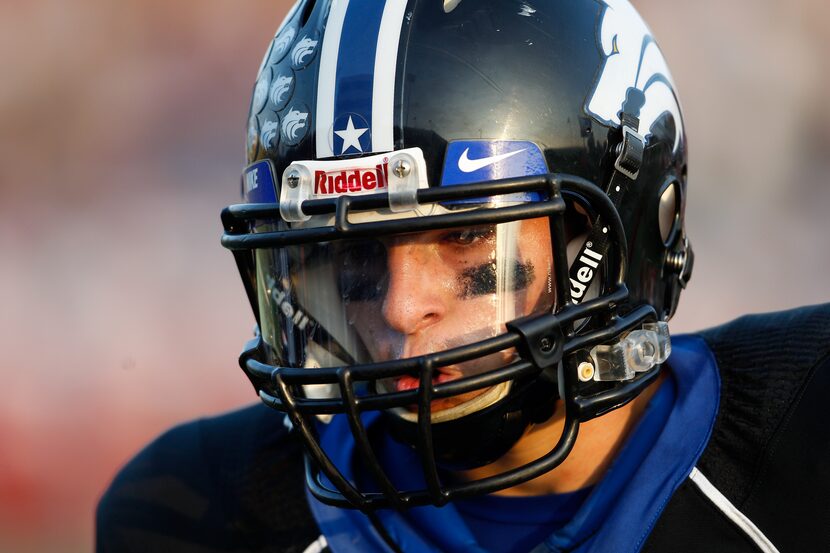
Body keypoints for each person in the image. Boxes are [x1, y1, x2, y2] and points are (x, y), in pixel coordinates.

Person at [96, 0, 830, 551]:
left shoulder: (806, 435)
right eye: (353, 258)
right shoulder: (198, 513)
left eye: (468, 234)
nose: (402, 308)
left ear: (612, 234)